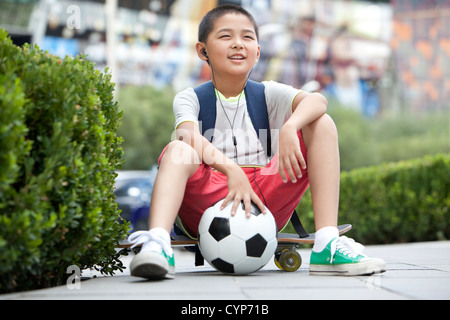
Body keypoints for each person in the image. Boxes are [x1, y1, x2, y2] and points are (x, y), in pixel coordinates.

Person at [127, 4, 386, 280]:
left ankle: (327, 244)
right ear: (202, 50)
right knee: (178, 149)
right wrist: (231, 170)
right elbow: (188, 135)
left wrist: (290, 127)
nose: (238, 44)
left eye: (247, 37)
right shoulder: (189, 97)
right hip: (211, 196)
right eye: (226, 36)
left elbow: (317, 100)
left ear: (258, 52)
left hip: (264, 195)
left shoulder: (268, 93)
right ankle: (158, 244)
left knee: (321, 123)